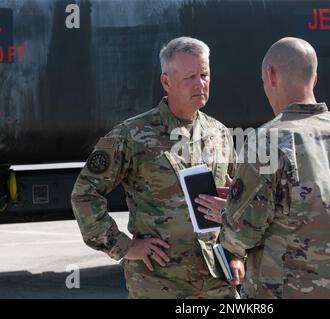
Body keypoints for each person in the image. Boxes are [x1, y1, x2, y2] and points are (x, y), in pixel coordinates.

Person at [71, 37, 238, 299]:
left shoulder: (220, 133)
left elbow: (237, 199)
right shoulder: (132, 135)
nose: (200, 83)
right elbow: (84, 194)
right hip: (159, 283)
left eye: (204, 74)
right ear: (166, 82)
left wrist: (237, 254)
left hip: (216, 279)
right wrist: (123, 246)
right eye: (190, 77)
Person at [217, 37, 330, 298]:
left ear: (270, 75)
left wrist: (228, 211)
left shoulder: (267, 141)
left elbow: (238, 236)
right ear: (314, 79)